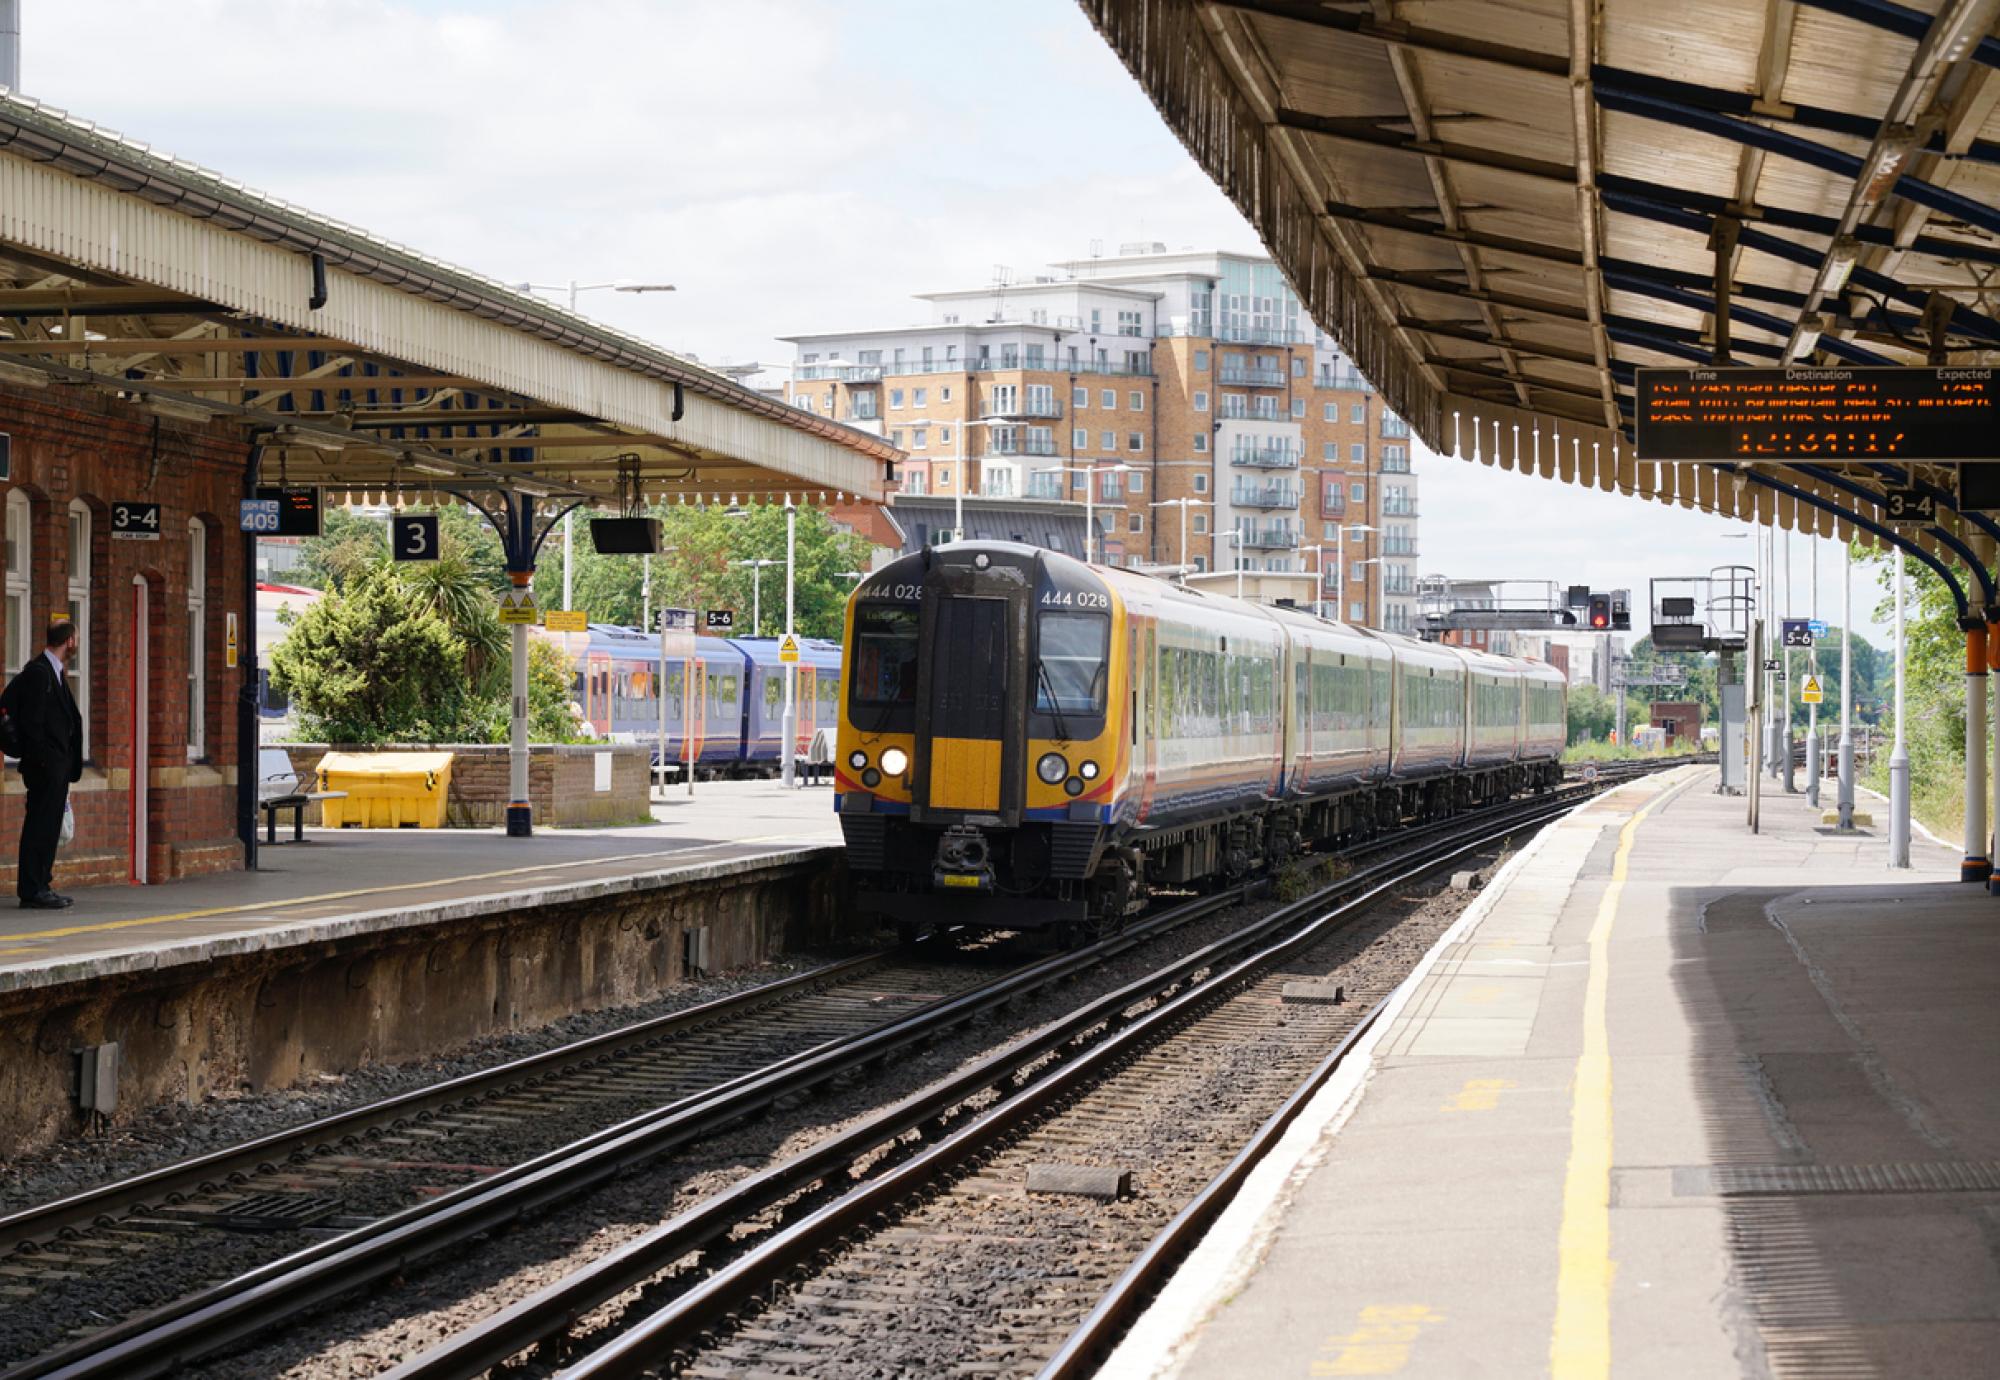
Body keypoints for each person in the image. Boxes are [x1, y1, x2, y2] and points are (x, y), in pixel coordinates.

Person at [4, 621, 84, 909]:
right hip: (45, 768)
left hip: (55, 766)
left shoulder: (53, 672)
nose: (76, 643)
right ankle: (33, 888)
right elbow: (32, 721)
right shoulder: (39, 673)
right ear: (70, 641)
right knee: (39, 826)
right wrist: (42, 758)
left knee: (48, 827)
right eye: (76, 638)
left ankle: (41, 884)